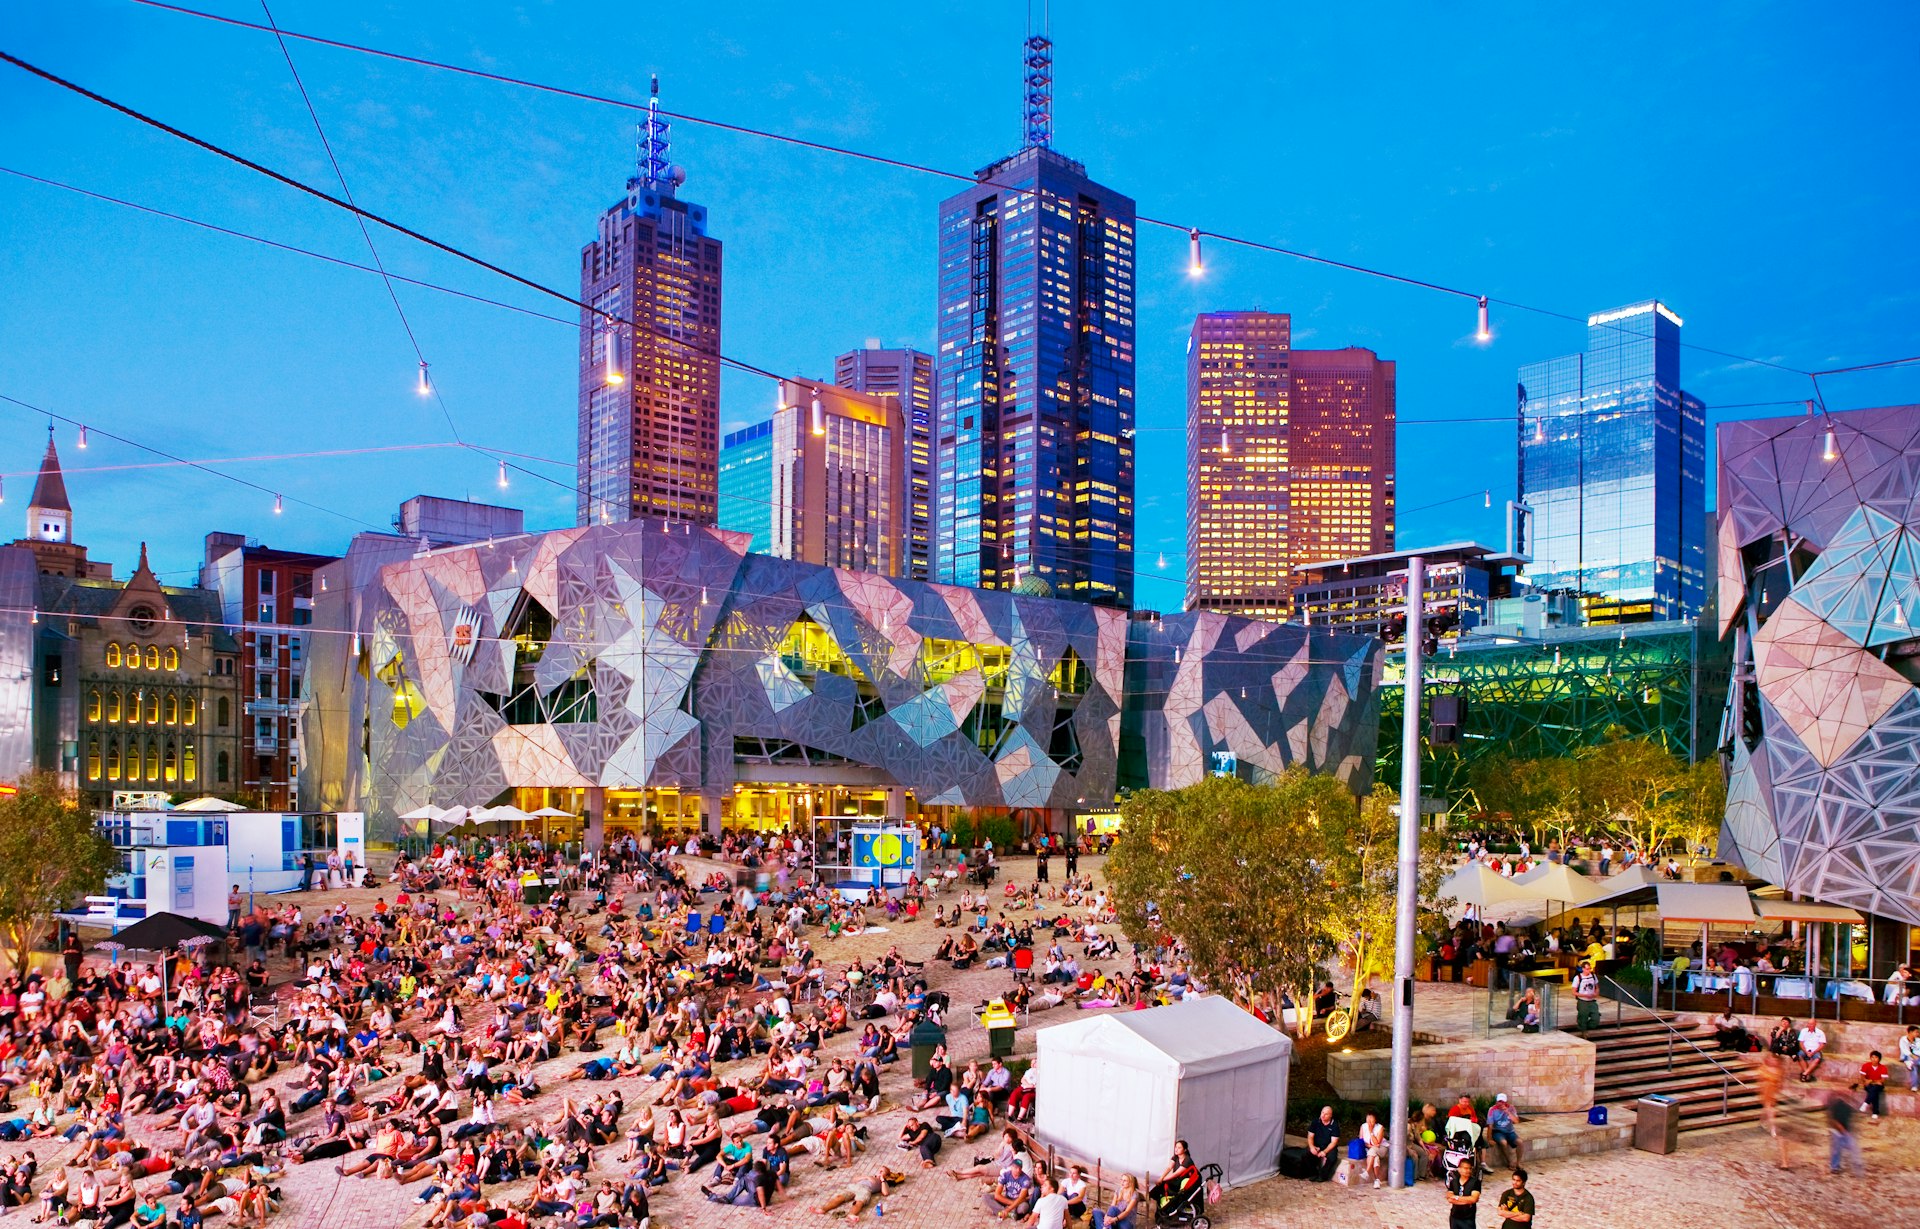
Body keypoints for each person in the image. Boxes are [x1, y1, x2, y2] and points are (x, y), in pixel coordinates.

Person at [1826, 1089, 1863, 1177]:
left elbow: (1853, 1116)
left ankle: (1855, 1164)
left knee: (1851, 1147)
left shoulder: (1847, 1106)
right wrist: (1842, 1129)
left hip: (1845, 1130)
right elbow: (1833, 1120)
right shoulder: (1836, 1106)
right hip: (1838, 1132)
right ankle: (1835, 1167)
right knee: (1837, 1150)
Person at [1485, 1095, 1523, 1171]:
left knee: (1520, 1142)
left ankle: (1518, 1163)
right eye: (1499, 1101)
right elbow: (1490, 1126)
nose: (1501, 1103)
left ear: (1506, 1102)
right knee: (1503, 1142)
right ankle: (1509, 1162)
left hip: (1510, 1131)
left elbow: (1516, 1121)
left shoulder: (1511, 1108)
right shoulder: (1492, 1109)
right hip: (1498, 1131)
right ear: (1496, 1101)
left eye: (1503, 1102)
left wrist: (1507, 1112)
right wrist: (1489, 1139)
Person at [1446, 1156, 1482, 1229]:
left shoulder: (1475, 1182)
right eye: (1465, 1168)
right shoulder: (1453, 1182)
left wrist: (1456, 1198)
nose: (1468, 1170)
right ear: (1459, 1169)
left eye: (1470, 1168)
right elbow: (1449, 1198)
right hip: (1454, 1217)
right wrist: (1467, 1200)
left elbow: (1473, 1199)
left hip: (1468, 1219)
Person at [1305, 1106, 1339, 1182]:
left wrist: (1325, 1151)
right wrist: (1312, 1147)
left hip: (1328, 1146)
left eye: (1326, 1114)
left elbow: (1334, 1142)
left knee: (1332, 1158)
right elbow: (1310, 1136)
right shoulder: (1316, 1121)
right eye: (1322, 1112)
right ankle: (1313, 1173)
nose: (1323, 1115)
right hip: (1317, 1144)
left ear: (1330, 1115)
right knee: (1307, 1152)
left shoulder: (1334, 1125)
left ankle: (1323, 1175)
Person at [1572, 960, 1600, 1032]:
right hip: (1583, 1001)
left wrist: (1596, 993)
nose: (1589, 970)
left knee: (1596, 1018)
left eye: (1590, 968)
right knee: (1583, 1018)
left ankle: (1587, 1027)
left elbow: (1597, 987)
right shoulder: (1578, 978)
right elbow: (1574, 992)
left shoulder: (1593, 976)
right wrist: (1585, 995)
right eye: (1587, 969)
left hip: (1592, 1001)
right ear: (1583, 969)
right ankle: (1582, 1030)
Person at [1797, 1018, 1828, 1083]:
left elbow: (1822, 1045)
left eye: (1811, 1024)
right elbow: (1801, 1043)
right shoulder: (1803, 1031)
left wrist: (1814, 1052)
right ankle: (1807, 1074)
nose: (1809, 1025)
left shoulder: (1820, 1032)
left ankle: (1804, 1074)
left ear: (1815, 1024)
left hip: (1815, 1050)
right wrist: (1806, 1051)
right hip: (1805, 1049)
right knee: (1799, 1056)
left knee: (1817, 1059)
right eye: (1808, 1023)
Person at [1860, 1050, 1888, 1121]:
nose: (1874, 1059)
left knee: (1875, 1088)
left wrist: (1871, 1081)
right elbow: (1862, 1077)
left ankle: (1866, 1103)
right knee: (1874, 1092)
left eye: (1876, 1057)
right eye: (1872, 1057)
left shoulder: (1883, 1068)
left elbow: (1882, 1081)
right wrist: (1867, 1081)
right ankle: (1875, 1112)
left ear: (1879, 1059)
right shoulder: (1866, 1065)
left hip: (1878, 1085)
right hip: (1869, 1085)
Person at [1900, 1025, 1920, 1094]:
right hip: (1906, 1057)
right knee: (1915, 1061)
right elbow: (1904, 1050)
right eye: (1916, 1032)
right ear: (1910, 1032)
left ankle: (1914, 1086)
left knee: (1914, 1067)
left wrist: (1915, 1056)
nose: (1918, 1034)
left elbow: (1918, 1051)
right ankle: (1910, 1062)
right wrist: (1913, 1056)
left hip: (1916, 1058)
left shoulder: (1918, 1040)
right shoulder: (1903, 1039)